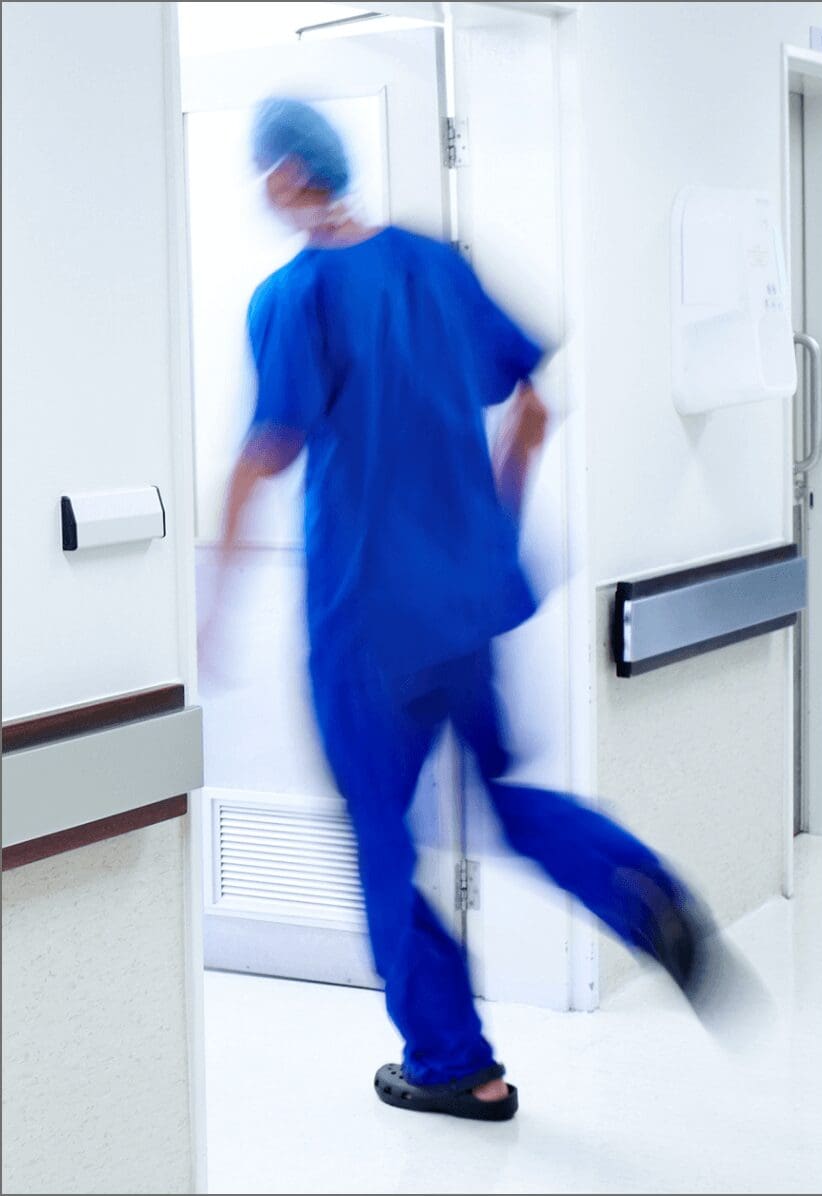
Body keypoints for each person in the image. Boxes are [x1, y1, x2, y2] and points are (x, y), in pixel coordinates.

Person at [201, 98, 733, 1122]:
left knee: (381, 844)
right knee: (512, 798)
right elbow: (530, 403)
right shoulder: (438, 265)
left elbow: (266, 452)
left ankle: (453, 1060)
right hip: (465, 608)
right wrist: (491, 526)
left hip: (363, 626)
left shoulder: (294, 295)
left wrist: (213, 596)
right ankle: (642, 889)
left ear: (280, 177)